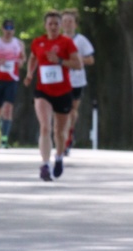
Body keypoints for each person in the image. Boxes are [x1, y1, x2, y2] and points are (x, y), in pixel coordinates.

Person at [24, 10, 81, 181]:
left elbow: (78, 64)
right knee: (45, 127)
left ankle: (59, 157)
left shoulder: (67, 42)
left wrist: (60, 61)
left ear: (61, 26)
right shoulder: (38, 42)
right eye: (50, 24)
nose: (54, 27)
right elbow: (33, 58)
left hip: (63, 92)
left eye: (57, 24)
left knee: (60, 132)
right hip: (43, 91)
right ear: (45, 26)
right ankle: (44, 164)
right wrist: (29, 73)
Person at [0, 19, 26, 147]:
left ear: (14, 30)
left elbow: (23, 57)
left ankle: (4, 139)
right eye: (6, 28)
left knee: (8, 108)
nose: (9, 31)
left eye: (11, 28)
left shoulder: (19, 43)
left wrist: (21, 62)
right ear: (2, 29)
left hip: (12, 79)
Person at [60, 9, 94, 154]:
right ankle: (61, 136)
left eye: (70, 21)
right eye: (65, 21)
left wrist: (78, 59)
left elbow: (91, 60)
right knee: (61, 111)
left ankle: (69, 135)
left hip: (76, 80)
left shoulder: (81, 40)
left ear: (75, 24)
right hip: (59, 81)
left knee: (72, 111)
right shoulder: (56, 40)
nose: (67, 24)